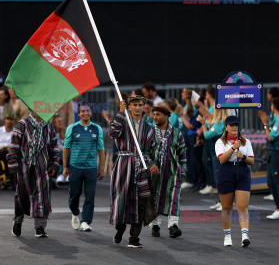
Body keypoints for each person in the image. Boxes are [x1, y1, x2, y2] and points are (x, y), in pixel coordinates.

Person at [109, 96, 159, 248]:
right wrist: (120, 112)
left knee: (141, 202)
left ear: (144, 107)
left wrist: (151, 164)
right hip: (123, 166)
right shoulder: (123, 122)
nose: (137, 107)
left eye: (140, 105)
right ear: (129, 107)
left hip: (142, 168)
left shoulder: (149, 128)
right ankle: (120, 229)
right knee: (123, 202)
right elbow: (113, 133)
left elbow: (148, 151)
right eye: (134, 105)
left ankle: (134, 238)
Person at [7, 111, 61, 238]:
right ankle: (18, 221)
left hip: (42, 168)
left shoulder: (49, 127)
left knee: (42, 196)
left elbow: (54, 148)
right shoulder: (22, 125)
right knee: (21, 196)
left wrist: (54, 164)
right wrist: (13, 166)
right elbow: (14, 146)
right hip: (24, 167)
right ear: (33, 109)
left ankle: (40, 227)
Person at [63, 103, 105, 232]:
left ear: (91, 112)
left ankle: (86, 221)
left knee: (90, 195)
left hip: (91, 167)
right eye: (83, 111)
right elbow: (66, 148)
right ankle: (75, 213)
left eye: (88, 110)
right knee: (74, 194)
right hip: (75, 167)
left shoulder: (97, 128)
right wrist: (65, 166)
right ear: (79, 113)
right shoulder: (72, 128)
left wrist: (102, 168)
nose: (85, 113)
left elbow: (101, 149)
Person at [215, 115, 254, 247]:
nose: (234, 127)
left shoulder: (245, 141)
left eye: (236, 125)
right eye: (231, 125)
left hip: (242, 172)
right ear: (226, 127)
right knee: (226, 208)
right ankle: (227, 235)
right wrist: (232, 148)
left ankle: (244, 235)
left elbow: (251, 160)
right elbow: (222, 159)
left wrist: (242, 156)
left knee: (242, 207)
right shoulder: (220, 142)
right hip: (226, 172)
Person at [149, 106, 187, 238]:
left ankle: (173, 226)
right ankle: (155, 225)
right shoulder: (150, 132)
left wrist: (183, 172)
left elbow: (183, 155)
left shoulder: (177, 133)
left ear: (166, 116)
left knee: (173, 198)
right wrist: (151, 164)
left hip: (172, 172)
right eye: (154, 114)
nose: (155, 117)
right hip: (154, 172)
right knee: (153, 198)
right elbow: (145, 152)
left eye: (158, 114)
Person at [259, 97, 279, 220]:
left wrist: (265, 124)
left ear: (275, 106)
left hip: (277, 153)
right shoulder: (276, 119)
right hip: (272, 152)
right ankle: (278, 208)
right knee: (270, 182)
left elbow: (271, 137)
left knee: (278, 181)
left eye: (272, 104)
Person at [201, 109, 230, 210]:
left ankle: (225, 202)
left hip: (219, 155)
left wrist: (203, 124)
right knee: (218, 179)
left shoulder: (220, 124)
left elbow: (207, 135)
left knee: (221, 179)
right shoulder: (221, 123)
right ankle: (221, 200)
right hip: (217, 154)